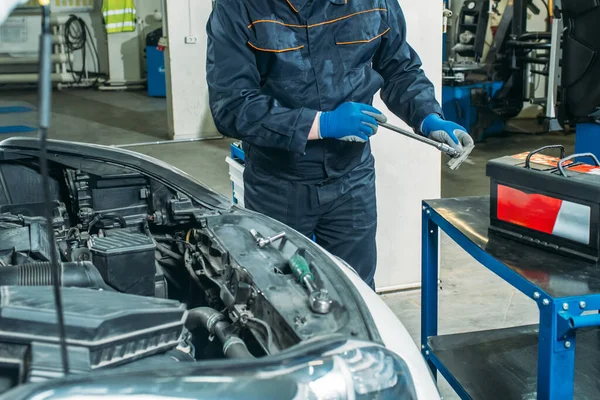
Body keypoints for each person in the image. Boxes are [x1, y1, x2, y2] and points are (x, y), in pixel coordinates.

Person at [206, 0, 473, 289]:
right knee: (280, 293)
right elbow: (231, 105)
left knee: (356, 290)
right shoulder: (240, 7)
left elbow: (400, 69)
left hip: (352, 182)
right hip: (279, 184)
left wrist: (428, 117)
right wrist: (321, 124)